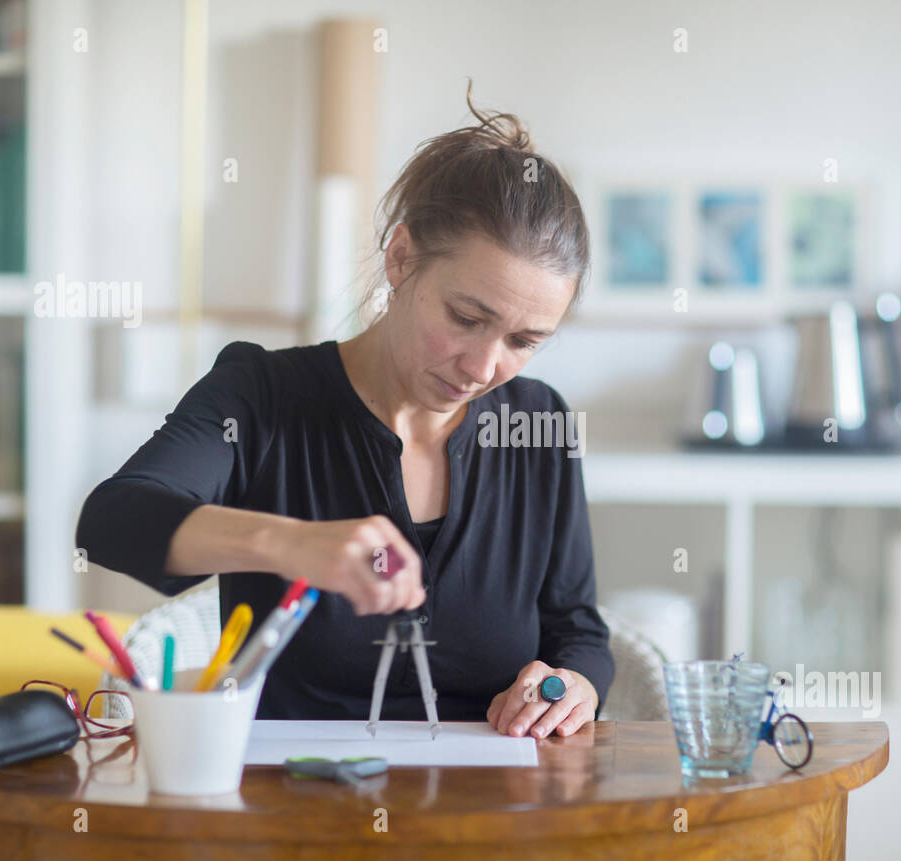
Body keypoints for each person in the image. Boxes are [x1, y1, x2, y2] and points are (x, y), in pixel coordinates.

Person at [75, 82, 614, 738]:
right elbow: (112, 519)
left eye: (525, 342)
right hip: (294, 812)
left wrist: (571, 685)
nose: (483, 369)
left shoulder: (539, 426)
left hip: (492, 816)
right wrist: (292, 542)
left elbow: (576, 630)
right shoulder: (260, 396)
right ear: (401, 258)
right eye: (466, 317)